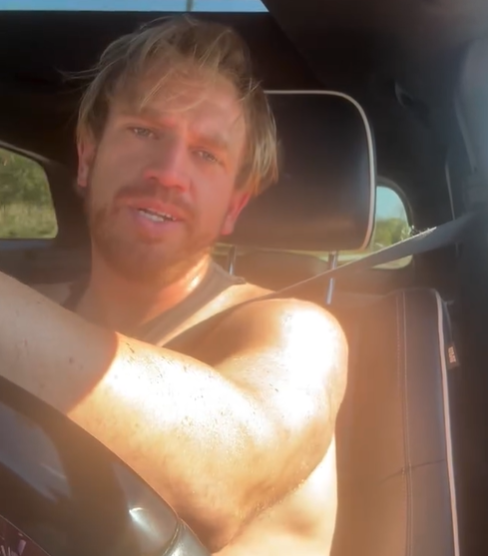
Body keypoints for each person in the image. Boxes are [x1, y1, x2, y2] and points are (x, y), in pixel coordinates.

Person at [0, 16, 348, 556]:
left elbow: (232, 468)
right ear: (88, 157)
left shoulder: (296, 333)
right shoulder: (39, 306)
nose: (167, 171)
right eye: (144, 130)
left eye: (207, 154)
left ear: (234, 206)